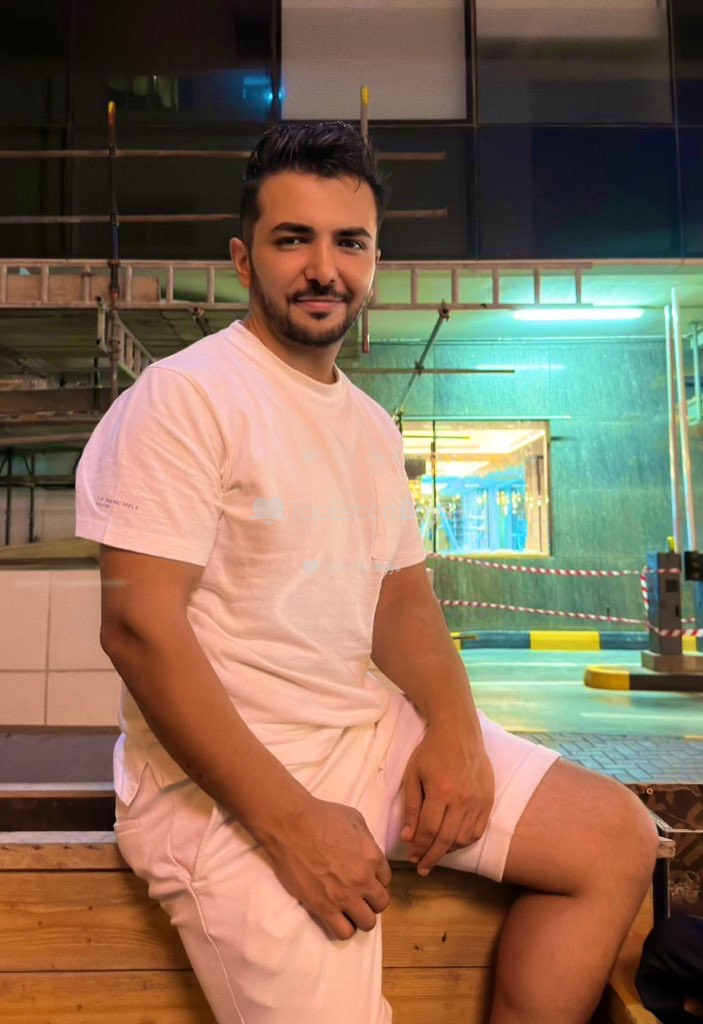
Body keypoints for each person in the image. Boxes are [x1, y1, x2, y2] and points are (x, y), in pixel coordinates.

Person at [75, 121, 658, 1024]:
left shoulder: (369, 426)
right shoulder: (184, 398)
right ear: (243, 260)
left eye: (348, 242)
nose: (323, 268)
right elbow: (139, 629)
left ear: (375, 261)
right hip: (223, 788)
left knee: (613, 839)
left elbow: (400, 600)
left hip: (366, 737)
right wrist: (291, 824)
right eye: (292, 239)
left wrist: (455, 732)